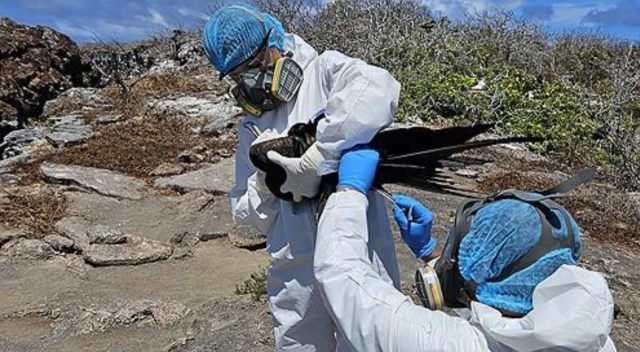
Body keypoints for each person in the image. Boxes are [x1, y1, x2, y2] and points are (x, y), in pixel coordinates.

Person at [203, 5, 401, 352]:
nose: (250, 81)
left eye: (253, 66)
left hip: (361, 253)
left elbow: (378, 88)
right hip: (295, 271)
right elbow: (244, 212)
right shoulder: (251, 127)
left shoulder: (325, 71)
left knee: (370, 341)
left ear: (274, 40)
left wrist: (320, 156)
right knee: (298, 344)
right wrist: (268, 185)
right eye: (237, 76)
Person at [314, 146, 617, 352]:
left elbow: (343, 278)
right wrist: (430, 252)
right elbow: (502, 308)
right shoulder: (594, 337)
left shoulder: (445, 343)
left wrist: (349, 192)